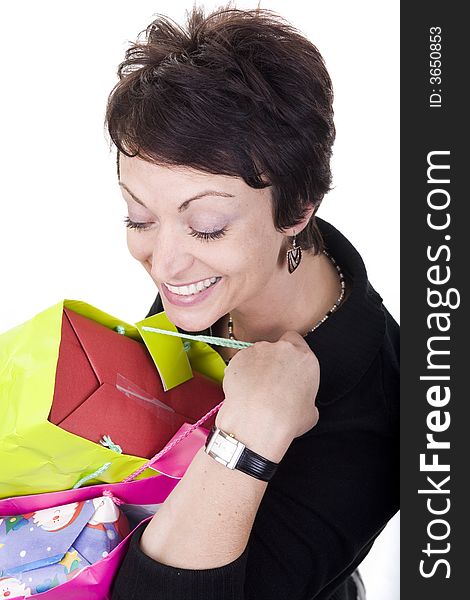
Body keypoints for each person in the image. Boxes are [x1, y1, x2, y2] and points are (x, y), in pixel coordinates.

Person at [106, 5, 399, 599]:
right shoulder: (221, 281)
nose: (163, 264)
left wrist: (249, 440)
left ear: (297, 210)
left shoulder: (385, 414)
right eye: (140, 215)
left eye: (207, 226)